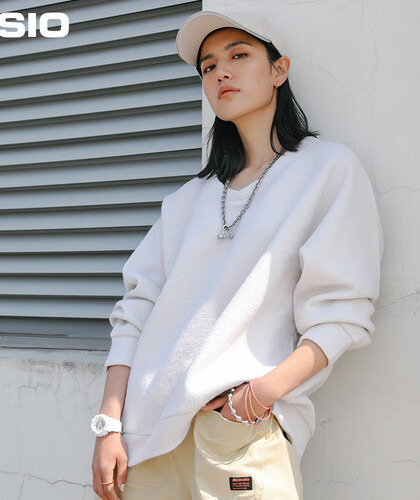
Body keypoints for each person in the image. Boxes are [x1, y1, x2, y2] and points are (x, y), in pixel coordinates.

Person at [91, 9, 383, 500]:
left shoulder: (327, 170)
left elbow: (343, 313)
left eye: (239, 55)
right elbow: (135, 313)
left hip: (238, 433)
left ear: (279, 70)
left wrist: (260, 395)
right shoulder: (186, 201)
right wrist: (108, 427)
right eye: (208, 67)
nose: (220, 73)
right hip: (146, 439)